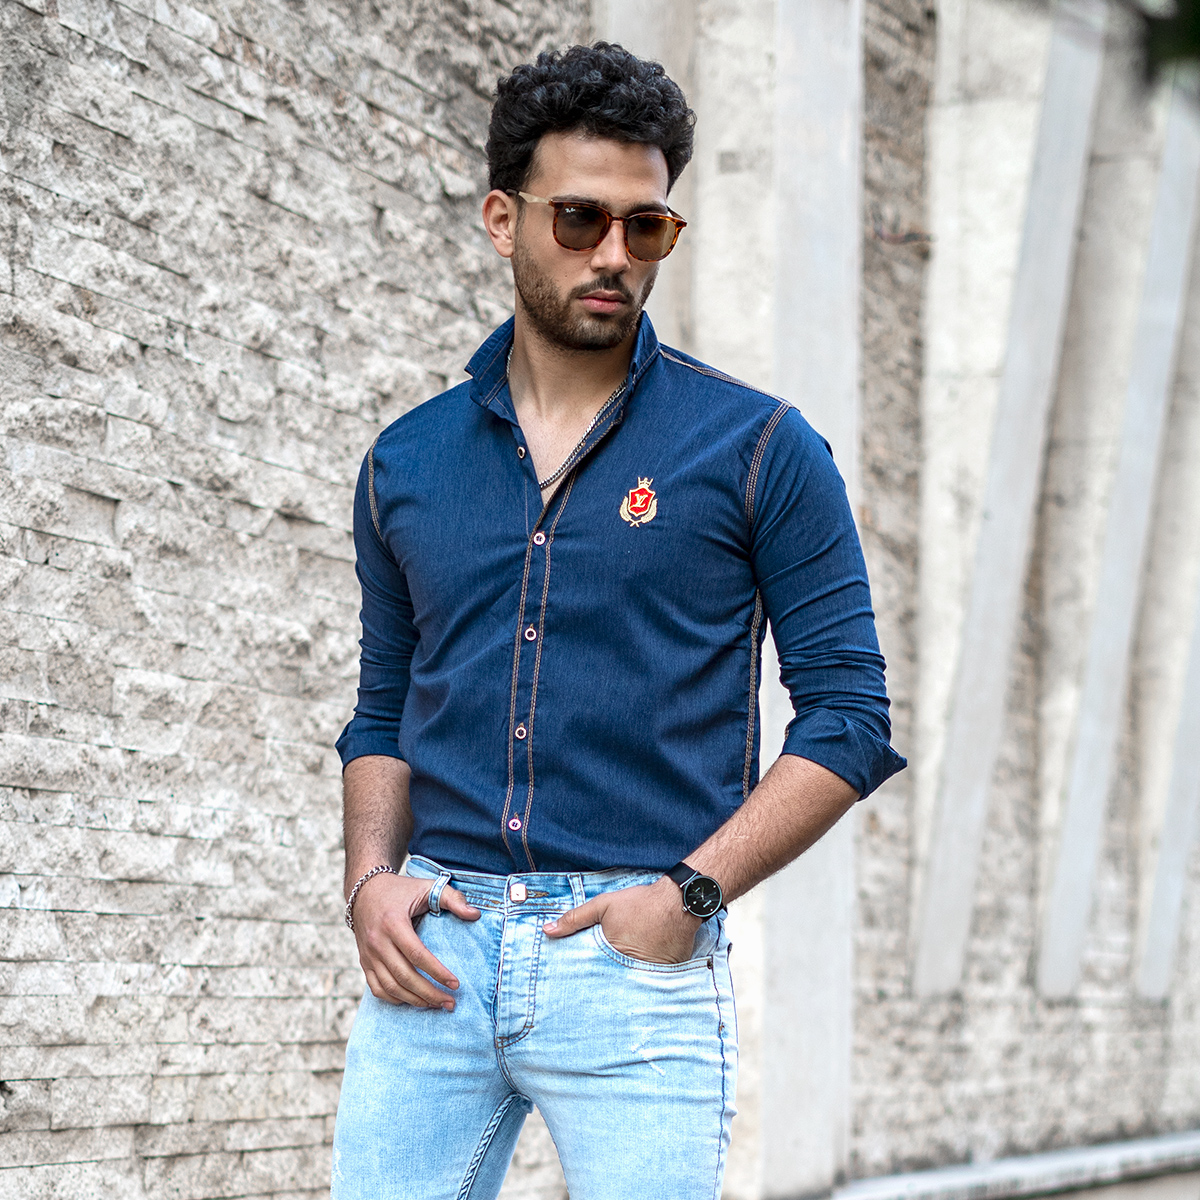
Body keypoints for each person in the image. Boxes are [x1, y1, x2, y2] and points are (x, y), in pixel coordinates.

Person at [330, 41, 905, 1200]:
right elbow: (383, 709)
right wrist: (368, 883)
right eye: (581, 218)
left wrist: (688, 895)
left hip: (633, 962)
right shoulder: (407, 462)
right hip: (434, 950)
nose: (614, 256)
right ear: (504, 219)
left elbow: (849, 718)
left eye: (647, 228)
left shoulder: (757, 448)